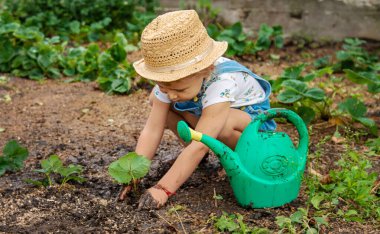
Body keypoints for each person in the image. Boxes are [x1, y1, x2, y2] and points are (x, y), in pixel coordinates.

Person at [131, 10, 276, 210]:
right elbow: (152, 128)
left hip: (252, 126)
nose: (171, 94)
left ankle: (243, 161)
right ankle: (193, 160)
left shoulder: (223, 82)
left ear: (206, 69)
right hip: (208, 115)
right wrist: (133, 174)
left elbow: (201, 143)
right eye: (164, 87)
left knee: (221, 127)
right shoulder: (171, 82)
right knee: (158, 102)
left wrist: (163, 189)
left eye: (178, 89)